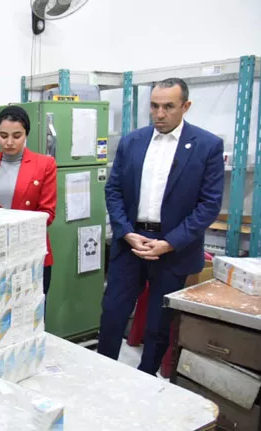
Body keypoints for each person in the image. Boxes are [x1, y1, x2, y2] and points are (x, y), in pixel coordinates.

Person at [98, 78, 224, 375]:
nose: (159, 114)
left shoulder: (206, 146)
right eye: (154, 106)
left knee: (159, 322)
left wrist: (170, 243)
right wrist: (126, 232)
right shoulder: (132, 142)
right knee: (113, 313)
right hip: (131, 242)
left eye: (168, 106)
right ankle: (102, 371)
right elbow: (113, 190)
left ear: (186, 106)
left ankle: (146, 378)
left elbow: (209, 205)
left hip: (173, 248)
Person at [0, 106, 57, 295]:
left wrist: (9, 227)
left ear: (26, 134)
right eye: (3, 136)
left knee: (31, 308)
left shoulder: (44, 165)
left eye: (17, 136)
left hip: (30, 251)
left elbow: (47, 214)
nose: (9, 142)